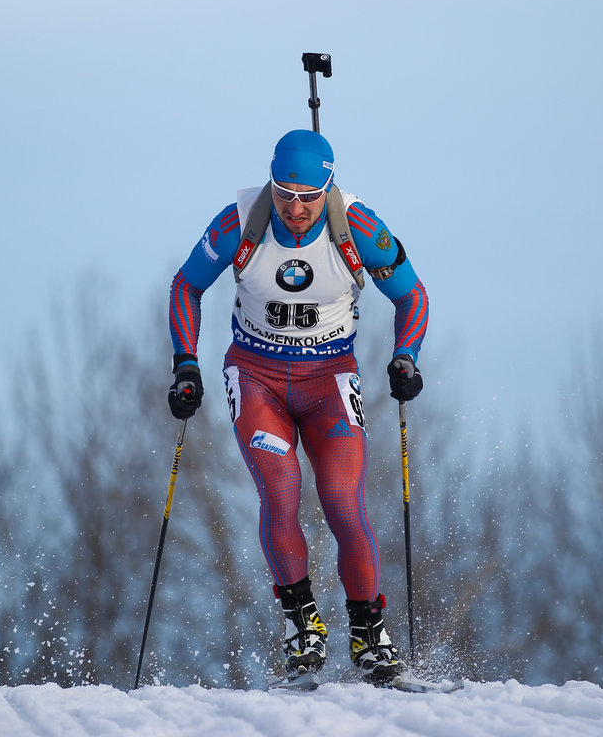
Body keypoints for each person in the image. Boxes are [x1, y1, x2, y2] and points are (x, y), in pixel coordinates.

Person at [166, 129, 428, 685]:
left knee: (343, 503)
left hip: (330, 378)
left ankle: (368, 636)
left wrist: (405, 356)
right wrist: (185, 363)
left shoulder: (356, 227)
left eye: (310, 196)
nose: (297, 207)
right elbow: (187, 286)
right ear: (272, 184)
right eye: (285, 194)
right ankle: (302, 626)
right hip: (256, 377)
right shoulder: (240, 222)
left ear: (328, 187)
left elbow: (411, 294)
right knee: (281, 492)